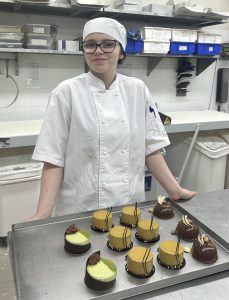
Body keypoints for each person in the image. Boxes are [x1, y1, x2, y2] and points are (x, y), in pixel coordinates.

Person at [28, 17, 196, 221]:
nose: (98, 51)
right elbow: (54, 158)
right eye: (90, 45)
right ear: (84, 50)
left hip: (127, 205)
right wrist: (42, 214)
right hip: (80, 207)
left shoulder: (137, 89)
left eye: (108, 44)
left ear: (121, 50)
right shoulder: (66, 92)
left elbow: (150, 148)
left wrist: (175, 190)